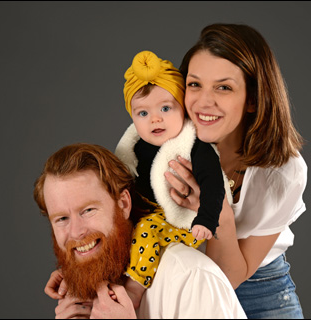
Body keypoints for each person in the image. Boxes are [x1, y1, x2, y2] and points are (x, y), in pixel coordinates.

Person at [164, 23, 308, 319]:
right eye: (194, 84)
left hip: (260, 288)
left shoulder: (282, 173)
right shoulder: (166, 142)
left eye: (224, 87)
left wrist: (220, 213)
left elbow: (228, 277)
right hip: (176, 282)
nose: (203, 102)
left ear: (253, 99)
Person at [34, 143, 247, 319]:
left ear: (124, 204)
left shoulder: (191, 277)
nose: (76, 232)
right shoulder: (87, 289)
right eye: (62, 219)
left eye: (88, 210)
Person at [115, 50, 232, 308]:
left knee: (147, 230)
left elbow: (214, 185)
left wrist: (206, 219)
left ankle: (134, 289)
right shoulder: (135, 146)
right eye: (142, 114)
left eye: (166, 108)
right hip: (151, 210)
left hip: (186, 220)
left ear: (183, 108)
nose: (155, 118)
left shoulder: (194, 146)